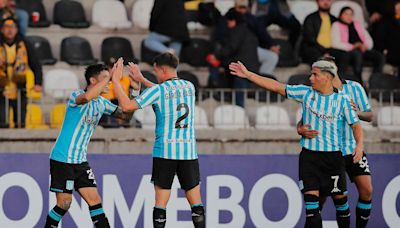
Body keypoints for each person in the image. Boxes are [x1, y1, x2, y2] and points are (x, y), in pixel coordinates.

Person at [230, 60, 364, 228]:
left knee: (342, 207)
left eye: (315, 74)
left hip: (333, 159)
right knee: (312, 211)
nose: (310, 78)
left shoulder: (343, 100)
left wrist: (359, 145)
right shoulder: (306, 93)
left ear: (328, 77)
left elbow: (356, 125)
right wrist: (249, 74)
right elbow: (277, 86)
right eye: (311, 74)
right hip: (310, 159)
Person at [112, 53, 205, 228]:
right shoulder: (189, 87)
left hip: (165, 151)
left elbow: (126, 107)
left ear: (162, 69)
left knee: (161, 203)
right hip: (188, 152)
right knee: (196, 204)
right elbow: (168, 92)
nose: (156, 74)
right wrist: (142, 79)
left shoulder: (158, 91)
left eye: (155, 71)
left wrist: (116, 81)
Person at [45, 62, 134, 228]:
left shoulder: (102, 103)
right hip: (63, 159)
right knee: (64, 203)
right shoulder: (76, 96)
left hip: (80, 161)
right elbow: (86, 97)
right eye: (104, 78)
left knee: (95, 201)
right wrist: (109, 78)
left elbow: (127, 116)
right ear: (93, 81)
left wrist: (134, 91)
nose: (109, 82)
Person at [297, 56, 373, 228]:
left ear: (334, 69)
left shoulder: (354, 87)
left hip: (351, 149)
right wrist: (299, 129)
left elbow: (369, 115)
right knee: (320, 201)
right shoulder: (317, 93)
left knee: (367, 190)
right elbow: (305, 120)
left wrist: (354, 113)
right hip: (328, 152)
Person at [0, 17, 42, 128]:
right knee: (2, 122)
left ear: (17, 29)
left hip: (20, 88)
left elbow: (36, 65)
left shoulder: (25, 44)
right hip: (2, 88)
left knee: (20, 121)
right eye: (6, 27)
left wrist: (38, 83)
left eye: (12, 27)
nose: (10, 30)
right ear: (2, 30)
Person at [331, 6, 384, 81]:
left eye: (351, 14)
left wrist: (365, 46)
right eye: (346, 14)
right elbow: (335, 43)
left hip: (362, 49)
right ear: (340, 15)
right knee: (357, 55)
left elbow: (368, 39)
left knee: (379, 56)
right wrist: (353, 46)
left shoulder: (357, 25)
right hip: (349, 50)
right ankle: (359, 80)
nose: (348, 16)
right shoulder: (336, 25)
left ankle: (376, 80)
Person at [300, 0, 350, 73]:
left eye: (328, 0)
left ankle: (340, 81)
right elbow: (309, 39)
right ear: (317, 2)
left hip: (330, 49)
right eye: (323, 0)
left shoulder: (334, 19)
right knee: (322, 60)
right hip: (314, 49)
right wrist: (324, 51)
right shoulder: (310, 18)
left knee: (345, 55)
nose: (326, 2)